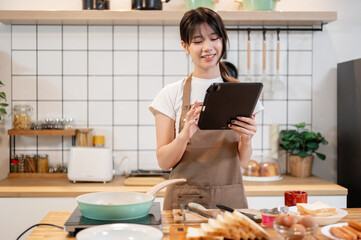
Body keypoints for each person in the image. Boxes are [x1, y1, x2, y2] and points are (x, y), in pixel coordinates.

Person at [149, 7, 263, 210]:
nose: (208, 47)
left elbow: (242, 162)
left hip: (230, 200)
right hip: (184, 203)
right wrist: (184, 135)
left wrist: (246, 139)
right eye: (198, 41)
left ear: (222, 40)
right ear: (185, 46)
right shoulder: (170, 94)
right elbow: (164, 162)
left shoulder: (242, 93)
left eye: (214, 38)